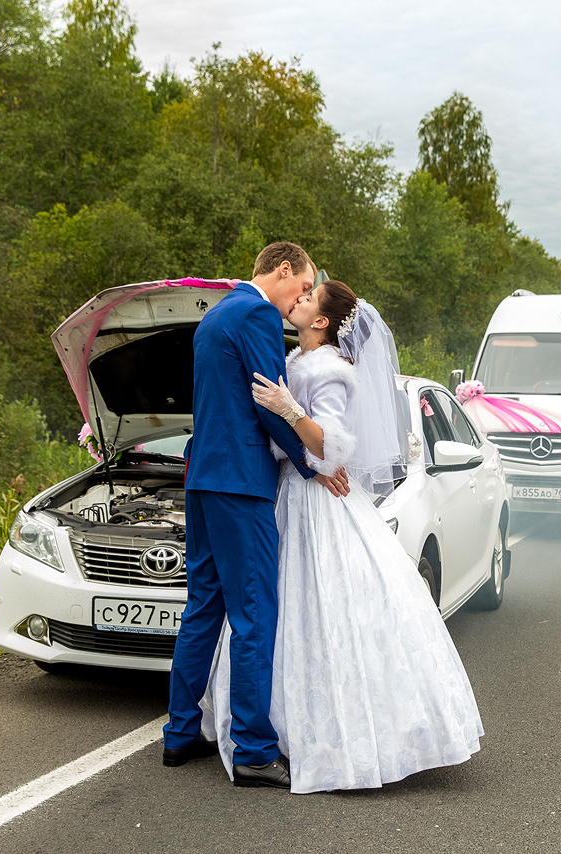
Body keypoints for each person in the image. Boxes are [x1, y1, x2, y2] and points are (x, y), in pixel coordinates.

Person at [200, 280, 484, 794]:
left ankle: (345, 735)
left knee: (327, 610)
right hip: (290, 494)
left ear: (322, 322)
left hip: (319, 501)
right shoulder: (295, 359)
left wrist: (290, 411)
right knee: (280, 610)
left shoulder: (332, 371)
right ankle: (271, 726)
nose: (299, 299)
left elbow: (331, 448)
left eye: (309, 298)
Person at [163, 243, 349, 790]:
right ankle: (253, 749)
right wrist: (310, 465)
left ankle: (179, 733)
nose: (301, 298)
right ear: (285, 271)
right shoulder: (259, 314)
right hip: (241, 484)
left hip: (202, 478)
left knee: (204, 606)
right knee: (254, 612)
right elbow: (271, 402)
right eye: (304, 284)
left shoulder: (214, 315)